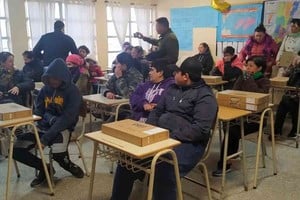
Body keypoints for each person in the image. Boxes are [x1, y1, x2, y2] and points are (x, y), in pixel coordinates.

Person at [111, 57, 218, 200]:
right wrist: (149, 132)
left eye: (178, 72)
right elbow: (156, 112)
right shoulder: (173, 88)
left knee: (164, 169)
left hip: (188, 143)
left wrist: (170, 137)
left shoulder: (205, 97)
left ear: (185, 76)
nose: (174, 74)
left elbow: (200, 130)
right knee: (127, 160)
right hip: (162, 136)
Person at [13, 58, 84, 187]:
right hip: (43, 126)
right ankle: (45, 169)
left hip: (63, 128)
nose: (53, 81)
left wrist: (45, 139)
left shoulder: (73, 91)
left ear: (63, 77)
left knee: (59, 157)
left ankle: (68, 164)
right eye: (51, 78)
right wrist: (42, 121)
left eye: (57, 78)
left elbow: (66, 119)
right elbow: (39, 112)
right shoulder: (45, 89)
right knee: (16, 149)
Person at [212, 56, 270, 177]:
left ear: (259, 68)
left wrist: (249, 80)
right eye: (247, 65)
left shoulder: (264, 81)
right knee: (228, 124)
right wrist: (241, 79)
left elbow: (257, 96)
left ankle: (224, 164)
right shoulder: (243, 77)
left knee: (231, 130)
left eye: (251, 66)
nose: (247, 68)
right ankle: (231, 153)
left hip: (255, 119)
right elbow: (235, 92)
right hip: (239, 115)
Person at [274, 62, 300, 138]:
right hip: (290, 94)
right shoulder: (295, 69)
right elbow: (284, 74)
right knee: (283, 105)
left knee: (293, 106)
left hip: (296, 97)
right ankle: (277, 130)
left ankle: (295, 130)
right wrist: (292, 65)